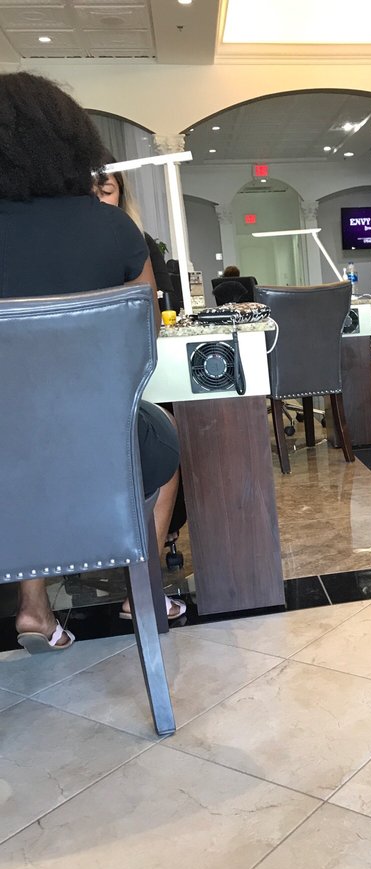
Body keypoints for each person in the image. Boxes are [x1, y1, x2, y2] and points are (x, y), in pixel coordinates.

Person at [0, 70, 185, 651]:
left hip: (7, 449)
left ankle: (34, 608)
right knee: (161, 435)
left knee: (20, 448)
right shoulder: (114, 230)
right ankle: (142, 592)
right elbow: (142, 343)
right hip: (99, 441)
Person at [94, 170, 174, 302]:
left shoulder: (142, 241)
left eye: (107, 192)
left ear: (121, 195)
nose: (98, 201)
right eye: (90, 195)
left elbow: (167, 299)